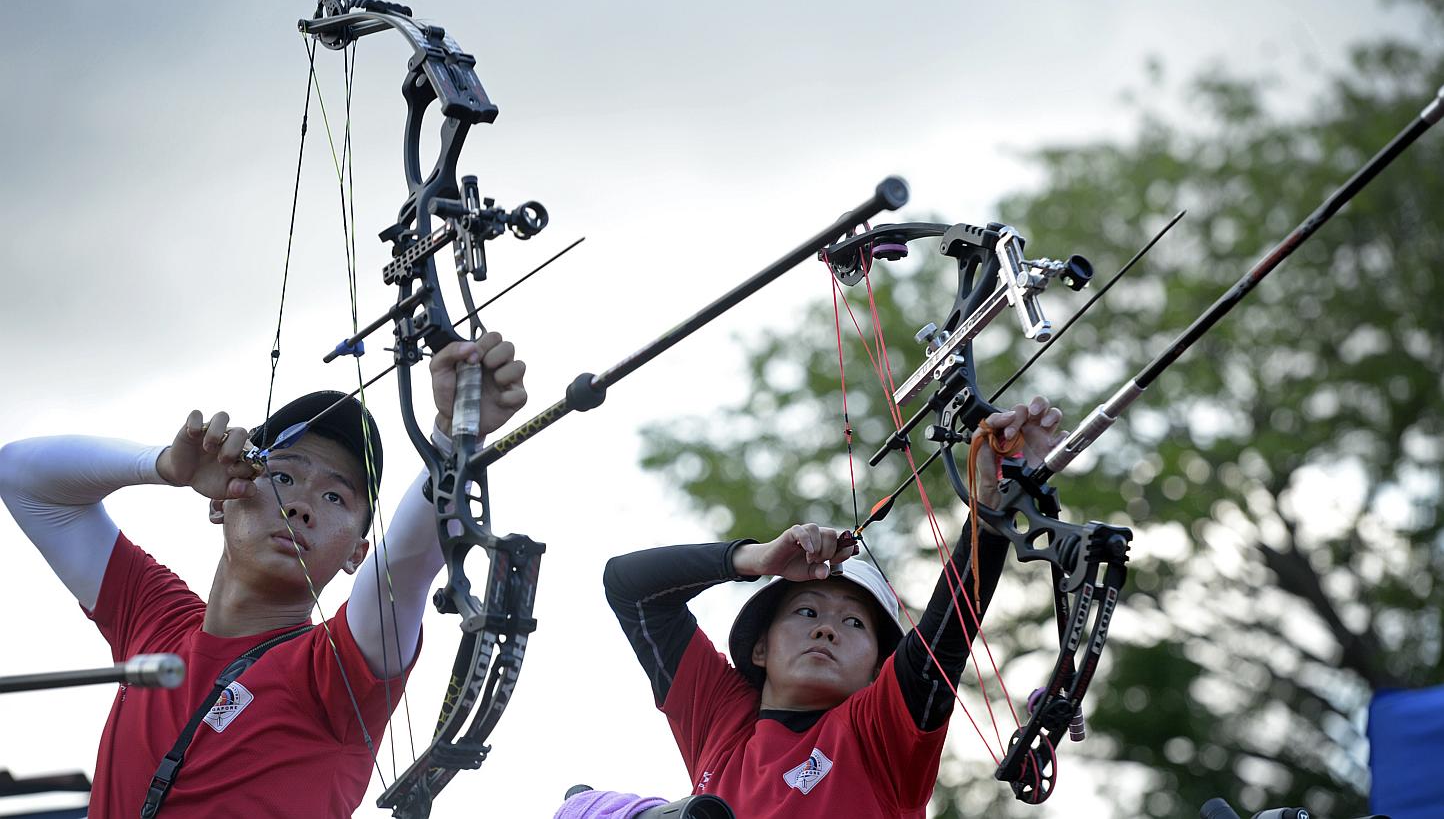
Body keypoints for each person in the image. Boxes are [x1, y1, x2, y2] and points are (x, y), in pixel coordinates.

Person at [0, 333, 526, 818]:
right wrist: (165, 466)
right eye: (281, 475)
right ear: (219, 505)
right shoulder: (154, 622)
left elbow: (406, 564)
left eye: (334, 496)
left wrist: (458, 432)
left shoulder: (335, 671)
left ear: (356, 553)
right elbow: (20, 477)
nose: (300, 505)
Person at [603, 397, 1064, 818]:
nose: (827, 630)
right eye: (806, 612)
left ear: (876, 670)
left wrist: (991, 504)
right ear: (759, 647)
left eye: (853, 622)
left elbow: (938, 647)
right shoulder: (722, 720)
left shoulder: (875, 732)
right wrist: (757, 559)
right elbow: (630, 586)